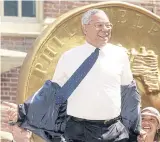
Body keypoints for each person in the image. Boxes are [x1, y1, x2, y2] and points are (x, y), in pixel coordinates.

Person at [1, 9, 141, 142]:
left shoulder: (120, 55)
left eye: (108, 25)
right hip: (78, 132)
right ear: (85, 28)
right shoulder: (69, 57)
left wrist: (135, 130)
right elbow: (54, 96)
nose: (105, 29)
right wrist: (24, 112)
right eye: (99, 25)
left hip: (113, 132)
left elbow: (129, 96)